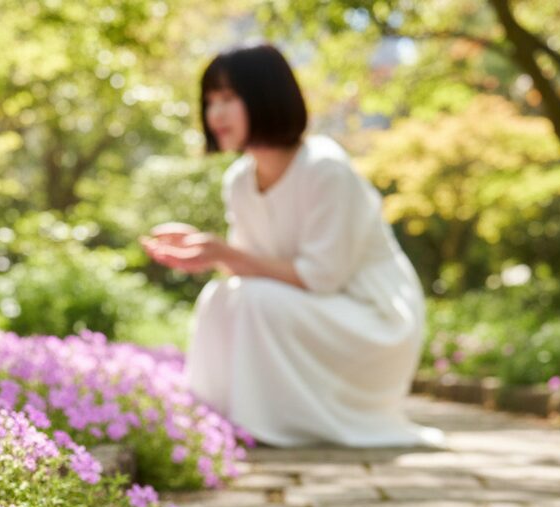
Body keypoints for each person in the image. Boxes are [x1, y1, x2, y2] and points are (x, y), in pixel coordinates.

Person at [140, 43, 444, 448]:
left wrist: (225, 253)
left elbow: (321, 278)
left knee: (251, 299)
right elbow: (248, 271)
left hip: (372, 319)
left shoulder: (325, 168)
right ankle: (211, 422)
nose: (216, 114)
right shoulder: (240, 182)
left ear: (265, 97)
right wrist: (205, 254)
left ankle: (259, 425)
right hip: (307, 311)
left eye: (229, 99)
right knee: (221, 296)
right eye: (210, 101)